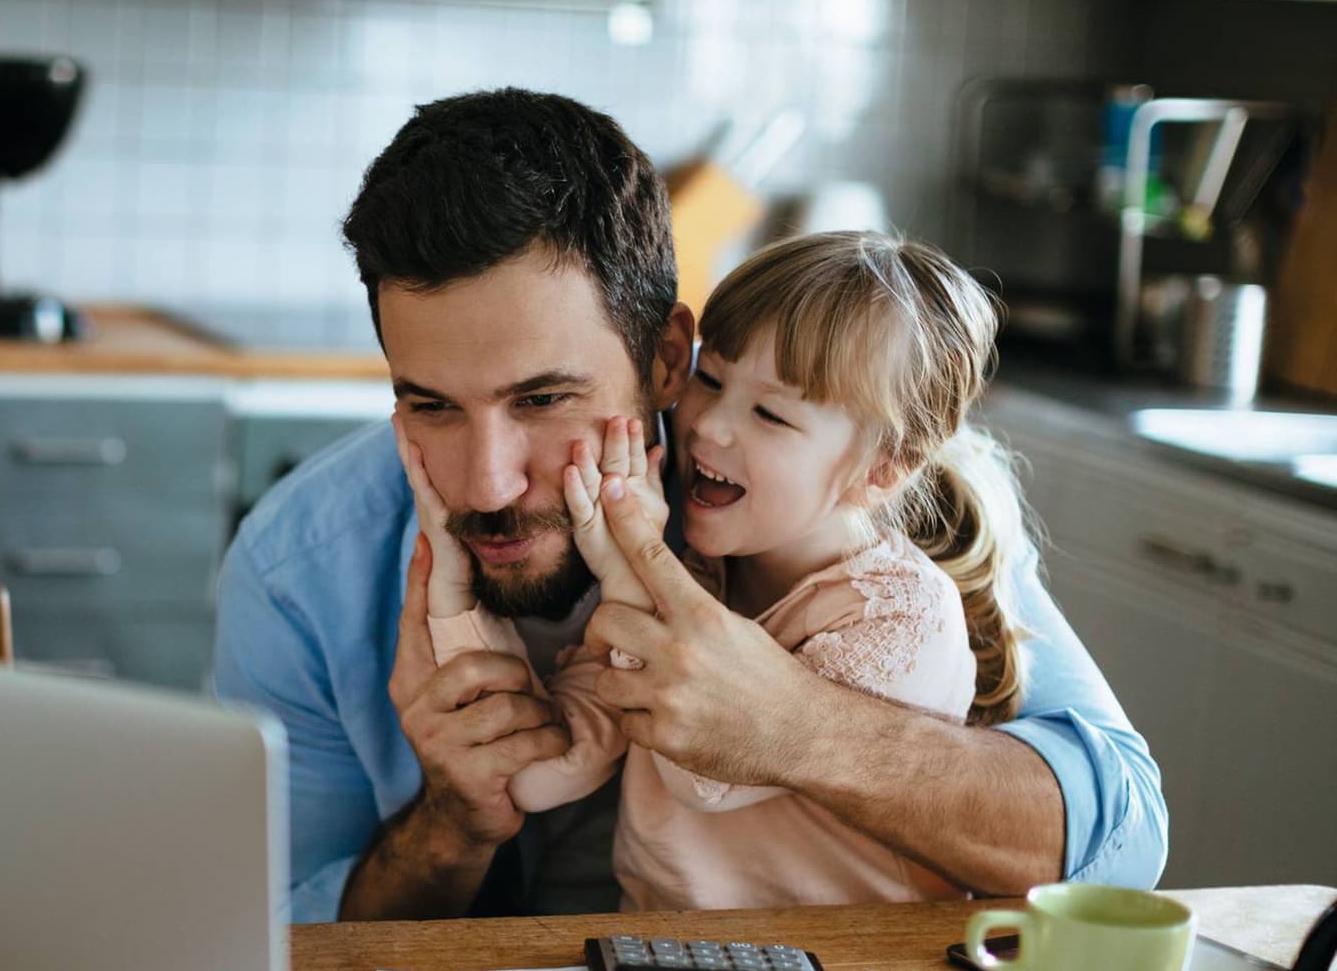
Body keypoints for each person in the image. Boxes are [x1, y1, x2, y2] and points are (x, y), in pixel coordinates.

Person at [211, 88, 1167, 923]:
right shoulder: (303, 567)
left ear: (671, 359)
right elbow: (276, 949)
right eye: (430, 405)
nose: (488, 484)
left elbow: (1120, 837)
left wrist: (797, 726)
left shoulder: (847, 504)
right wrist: (454, 820)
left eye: (545, 401)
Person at [406, 229, 1033, 909]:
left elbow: (704, 771)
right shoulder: (699, 573)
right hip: (670, 964)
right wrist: (452, 592)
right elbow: (540, 778)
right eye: (711, 379)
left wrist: (626, 572)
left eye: (770, 413)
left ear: (882, 471)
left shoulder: (901, 616)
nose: (709, 426)